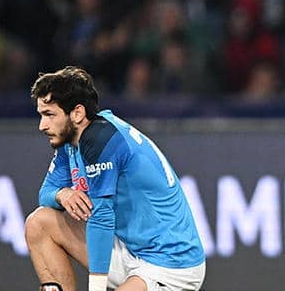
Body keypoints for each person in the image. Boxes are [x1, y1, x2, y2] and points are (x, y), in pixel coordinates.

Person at [25, 66, 205, 291]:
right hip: (128, 248)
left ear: (77, 113)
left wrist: (96, 288)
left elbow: (102, 218)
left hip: (169, 263)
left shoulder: (103, 141)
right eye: (42, 115)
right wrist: (62, 194)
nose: (42, 125)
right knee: (39, 223)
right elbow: (46, 193)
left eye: (50, 115)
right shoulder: (70, 140)